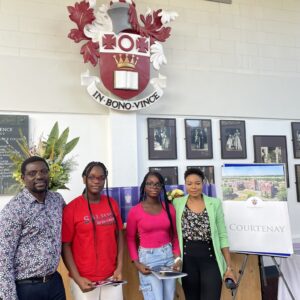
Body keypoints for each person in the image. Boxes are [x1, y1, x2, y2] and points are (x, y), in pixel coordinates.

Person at [0, 156, 66, 300]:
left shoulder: (57, 200)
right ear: (23, 178)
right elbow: (3, 259)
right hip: (27, 288)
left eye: (43, 171)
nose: (39, 176)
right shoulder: (14, 210)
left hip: (54, 283)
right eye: (32, 173)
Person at [62, 161, 124, 300]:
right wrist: (77, 278)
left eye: (101, 178)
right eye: (92, 177)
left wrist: (119, 267)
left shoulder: (112, 203)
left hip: (111, 276)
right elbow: (65, 246)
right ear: (84, 179)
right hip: (85, 279)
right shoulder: (71, 209)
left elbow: (119, 236)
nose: (97, 181)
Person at [173, 168, 236, 300]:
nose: (193, 187)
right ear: (185, 184)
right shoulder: (177, 203)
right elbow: (173, 233)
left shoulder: (214, 203)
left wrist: (229, 267)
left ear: (203, 183)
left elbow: (222, 235)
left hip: (211, 260)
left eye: (197, 183)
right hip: (187, 262)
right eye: (189, 183)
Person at [126, 171, 181, 300]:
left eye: (157, 184)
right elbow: (130, 239)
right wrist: (137, 263)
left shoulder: (169, 208)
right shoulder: (135, 211)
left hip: (168, 257)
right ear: (144, 186)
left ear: (162, 187)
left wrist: (177, 259)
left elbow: (175, 236)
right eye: (149, 184)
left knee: (168, 297)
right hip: (148, 260)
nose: (153, 187)